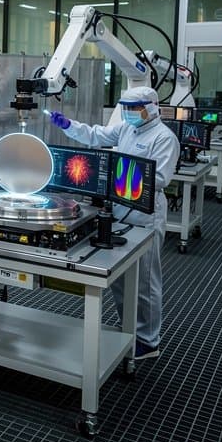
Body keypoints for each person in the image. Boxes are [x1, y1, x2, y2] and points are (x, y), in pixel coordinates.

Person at [50, 85, 179, 359]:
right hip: (122, 212)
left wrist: (116, 176)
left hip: (146, 216)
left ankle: (148, 340)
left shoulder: (164, 138)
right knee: (121, 276)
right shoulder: (127, 129)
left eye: (135, 108)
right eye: (126, 108)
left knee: (145, 281)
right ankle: (129, 325)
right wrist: (68, 125)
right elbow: (96, 135)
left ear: (152, 107)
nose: (130, 113)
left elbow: (160, 179)